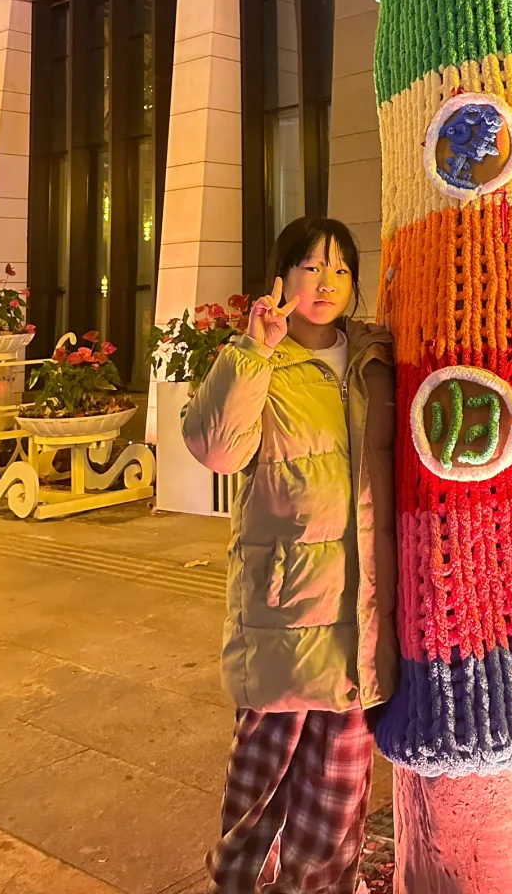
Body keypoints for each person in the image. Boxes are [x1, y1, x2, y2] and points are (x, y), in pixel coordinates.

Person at [183, 215, 397, 894]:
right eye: (309, 267)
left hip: (359, 628)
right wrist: (254, 350)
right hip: (282, 622)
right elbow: (215, 450)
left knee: (334, 822)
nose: (325, 282)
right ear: (282, 279)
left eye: (339, 269)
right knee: (254, 812)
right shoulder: (260, 362)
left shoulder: (375, 361)